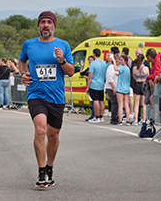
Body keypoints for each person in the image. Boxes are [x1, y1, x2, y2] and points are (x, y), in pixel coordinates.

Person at [19, 11, 74, 188]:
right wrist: (23, 74)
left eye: (49, 22)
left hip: (56, 97)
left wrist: (62, 60)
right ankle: (41, 172)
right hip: (36, 95)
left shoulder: (63, 45)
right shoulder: (29, 45)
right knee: (40, 129)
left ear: (54, 26)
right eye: (43, 22)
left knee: (54, 135)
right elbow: (22, 61)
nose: (46, 25)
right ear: (39, 25)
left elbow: (71, 72)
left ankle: (49, 167)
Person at [86, 48, 107, 123]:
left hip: (94, 84)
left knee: (95, 100)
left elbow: (90, 76)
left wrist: (88, 86)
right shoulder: (104, 63)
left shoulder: (93, 64)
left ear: (94, 54)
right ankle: (101, 116)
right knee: (101, 100)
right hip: (101, 84)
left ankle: (97, 116)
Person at [132, 54, 149, 125]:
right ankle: (144, 119)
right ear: (143, 60)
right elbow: (148, 76)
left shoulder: (134, 68)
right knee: (144, 104)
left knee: (136, 104)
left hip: (137, 84)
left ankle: (135, 119)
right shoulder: (146, 68)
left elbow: (134, 77)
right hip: (144, 84)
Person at [114, 55, 131, 125]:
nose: (120, 61)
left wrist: (114, 61)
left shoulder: (122, 67)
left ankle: (120, 120)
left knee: (120, 105)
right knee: (126, 105)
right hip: (126, 89)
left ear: (125, 61)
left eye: (121, 60)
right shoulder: (128, 68)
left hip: (120, 89)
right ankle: (128, 120)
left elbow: (115, 68)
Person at [105, 53, 120, 125]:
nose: (117, 61)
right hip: (111, 87)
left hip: (118, 88)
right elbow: (109, 78)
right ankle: (113, 117)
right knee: (115, 101)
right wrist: (113, 88)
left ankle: (116, 116)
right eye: (116, 59)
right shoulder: (111, 67)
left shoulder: (119, 67)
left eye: (119, 59)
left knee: (117, 102)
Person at [80, 55, 95, 121]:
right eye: (89, 60)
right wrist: (82, 66)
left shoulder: (94, 67)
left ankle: (94, 115)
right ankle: (93, 115)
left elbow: (92, 77)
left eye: (91, 60)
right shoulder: (89, 68)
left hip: (93, 85)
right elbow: (82, 73)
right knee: (91, 101)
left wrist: (87, 77)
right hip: (89, 86)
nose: (90, 61)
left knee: (94, 101)